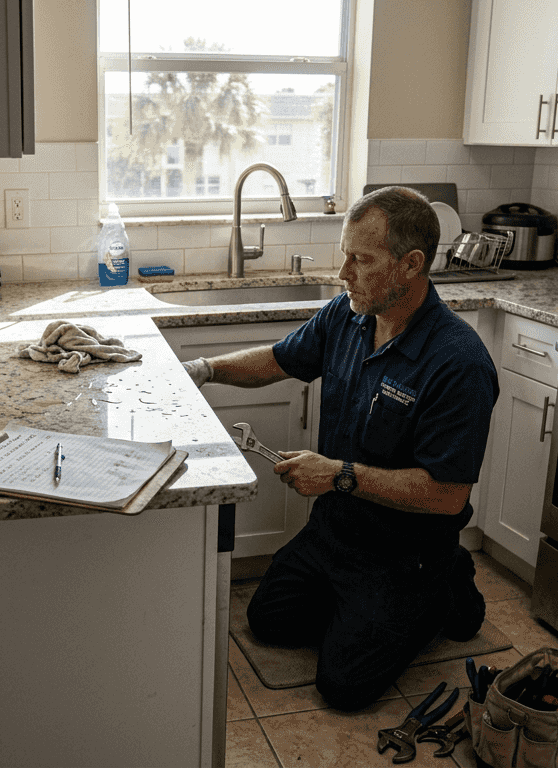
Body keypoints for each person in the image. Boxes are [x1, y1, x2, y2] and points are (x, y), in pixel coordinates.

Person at [182, 186, 499, 711]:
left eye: (361, 259)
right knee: (268, 621)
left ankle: (443, 591)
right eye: (345, 253)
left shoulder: (458, 364)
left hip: (404, 553)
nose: (342, 271)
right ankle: (364, 610)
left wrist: (338, 476)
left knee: (344, 686)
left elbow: (446, 495)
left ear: (411, 265)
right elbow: (280, 360)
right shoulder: (348, 317)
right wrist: (205, 370)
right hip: (336, 531)